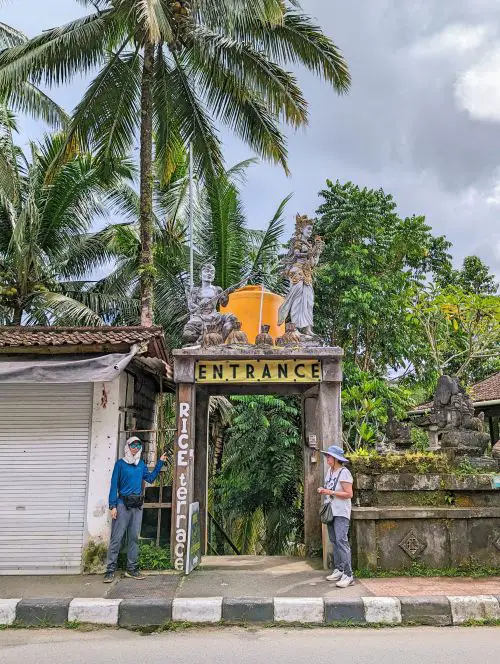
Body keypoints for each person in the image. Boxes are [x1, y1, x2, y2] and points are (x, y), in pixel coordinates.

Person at [103, 436, 166, 583]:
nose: (135, 448)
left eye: (138, 445)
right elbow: (114, 486)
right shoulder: (120, 464)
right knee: (117, 538)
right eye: (133, 445)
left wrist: (160, 463)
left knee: (133, 538)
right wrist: (112, 506)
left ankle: (132, 569)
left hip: (137, 506)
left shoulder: (141, 464)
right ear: (127, 447)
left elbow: (150, 479)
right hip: (122, 505)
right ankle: (110, 570)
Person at [317, 445, 354, 588]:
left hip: (341, 512)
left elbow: (349, 494)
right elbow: (330, 488)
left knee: (341, 541)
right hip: (331, 510)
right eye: (327, 456)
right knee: (334, 540)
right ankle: (339, 569)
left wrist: (330, 492)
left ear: (336, 459)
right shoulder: (330, 472)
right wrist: (324, 491)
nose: (327, 458)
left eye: (329, 456)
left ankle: (348, 574)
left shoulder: (344, 473)